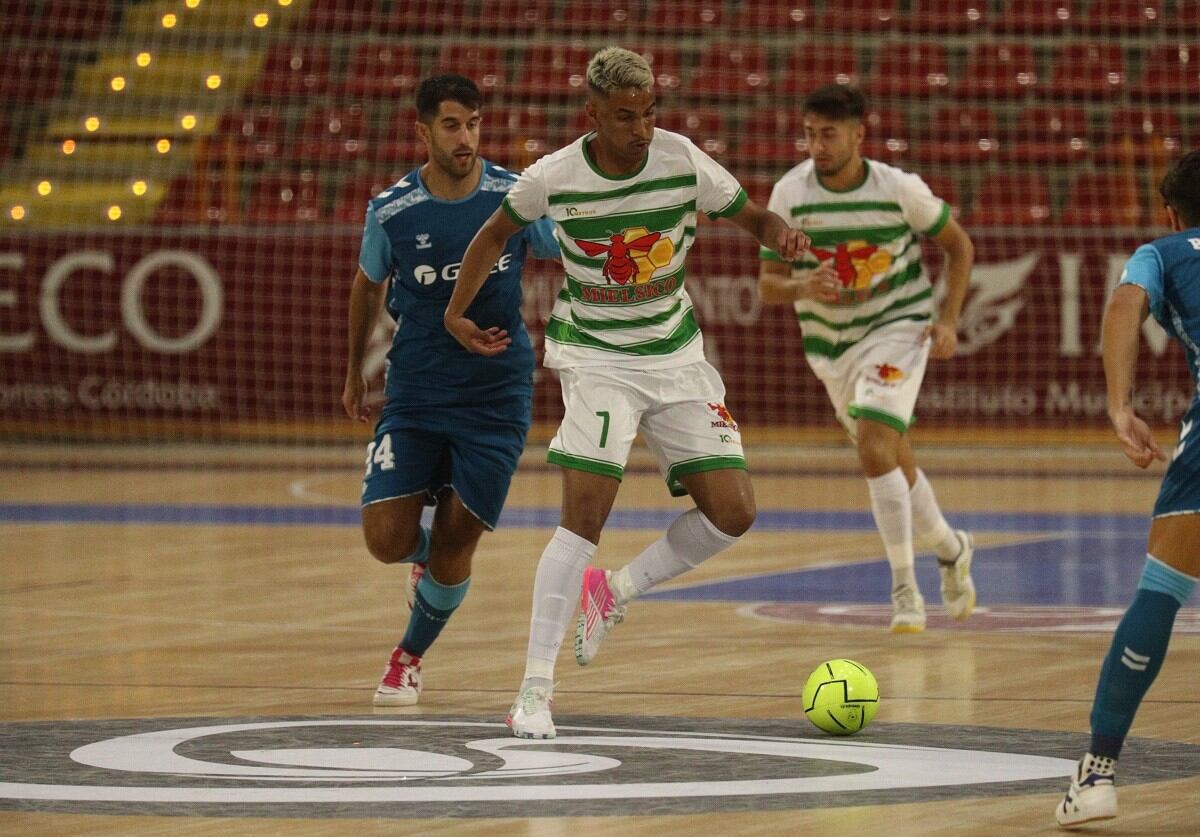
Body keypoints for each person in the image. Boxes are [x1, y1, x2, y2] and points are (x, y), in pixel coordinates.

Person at [442, 46, 809, 739]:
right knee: (583, 517)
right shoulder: (554, 176)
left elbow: (752, 217)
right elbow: (493, 235)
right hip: (597, 357)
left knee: (734, 511)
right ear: (593, 115)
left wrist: (780, 234)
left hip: (675, 355)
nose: (640, 130)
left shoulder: (681, 159)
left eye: (647, 115)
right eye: (624, 117)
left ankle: (617, 590)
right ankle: (533, 691)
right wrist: (455, 312)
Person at [341, 74, 559, 706]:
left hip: (495, 396)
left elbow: (567, 247)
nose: (465, 138)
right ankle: (428, 560)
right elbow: (366, 287)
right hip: (415, 392)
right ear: (424, 131)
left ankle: (407, 656)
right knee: (385, 541)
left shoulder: (512, 196)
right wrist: (354, 371)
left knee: (462, 538)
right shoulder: (393, 210)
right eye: (451, 125)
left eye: (473, 124)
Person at [757, 84, 977, 633]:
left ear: (859, 133)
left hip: (899, 325)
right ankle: (951, 549)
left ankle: (905, 589)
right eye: (809, 133)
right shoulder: (790, 194)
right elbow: (767, 286)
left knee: (877, 445)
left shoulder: (898, 188)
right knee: (893, 456)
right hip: (832, 348)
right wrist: (804, 285)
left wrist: (947, 319)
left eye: (828, 134)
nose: (817, 145)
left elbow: (960, 246)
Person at [1056, 150, 1200, 828]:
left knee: (1163, 588)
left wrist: (1120, 407)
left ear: (1172, 212)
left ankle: (1098, 776)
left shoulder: (1164, 252)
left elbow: (1122, 305)